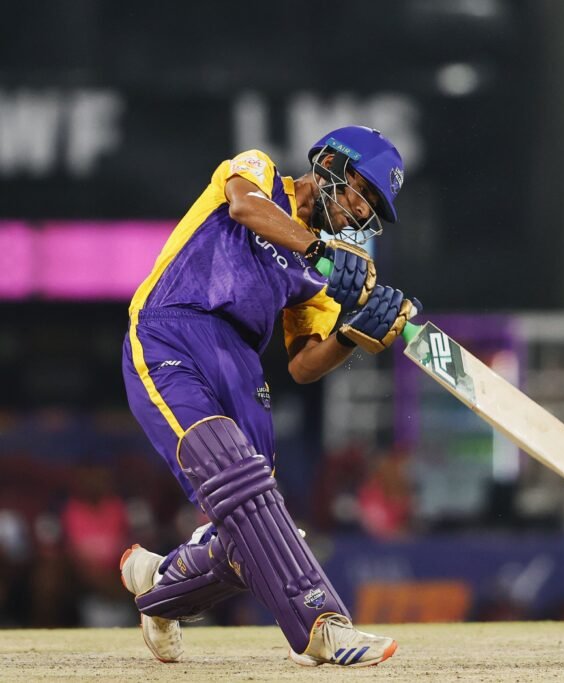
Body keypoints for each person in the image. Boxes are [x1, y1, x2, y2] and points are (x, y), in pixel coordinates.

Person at [118, 126, 418, 668]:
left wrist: (352, 335)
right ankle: (320, 626)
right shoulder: (258, 173)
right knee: (239, 482)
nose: (360, 212)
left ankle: (159, 586)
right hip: (171, 329)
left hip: (241, 365)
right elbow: (243, 206)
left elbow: (304, 364)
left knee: (250, 529)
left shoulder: (319, 277)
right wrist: (320, 250)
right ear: (330, 164)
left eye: (371, 208)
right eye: (361, 192)